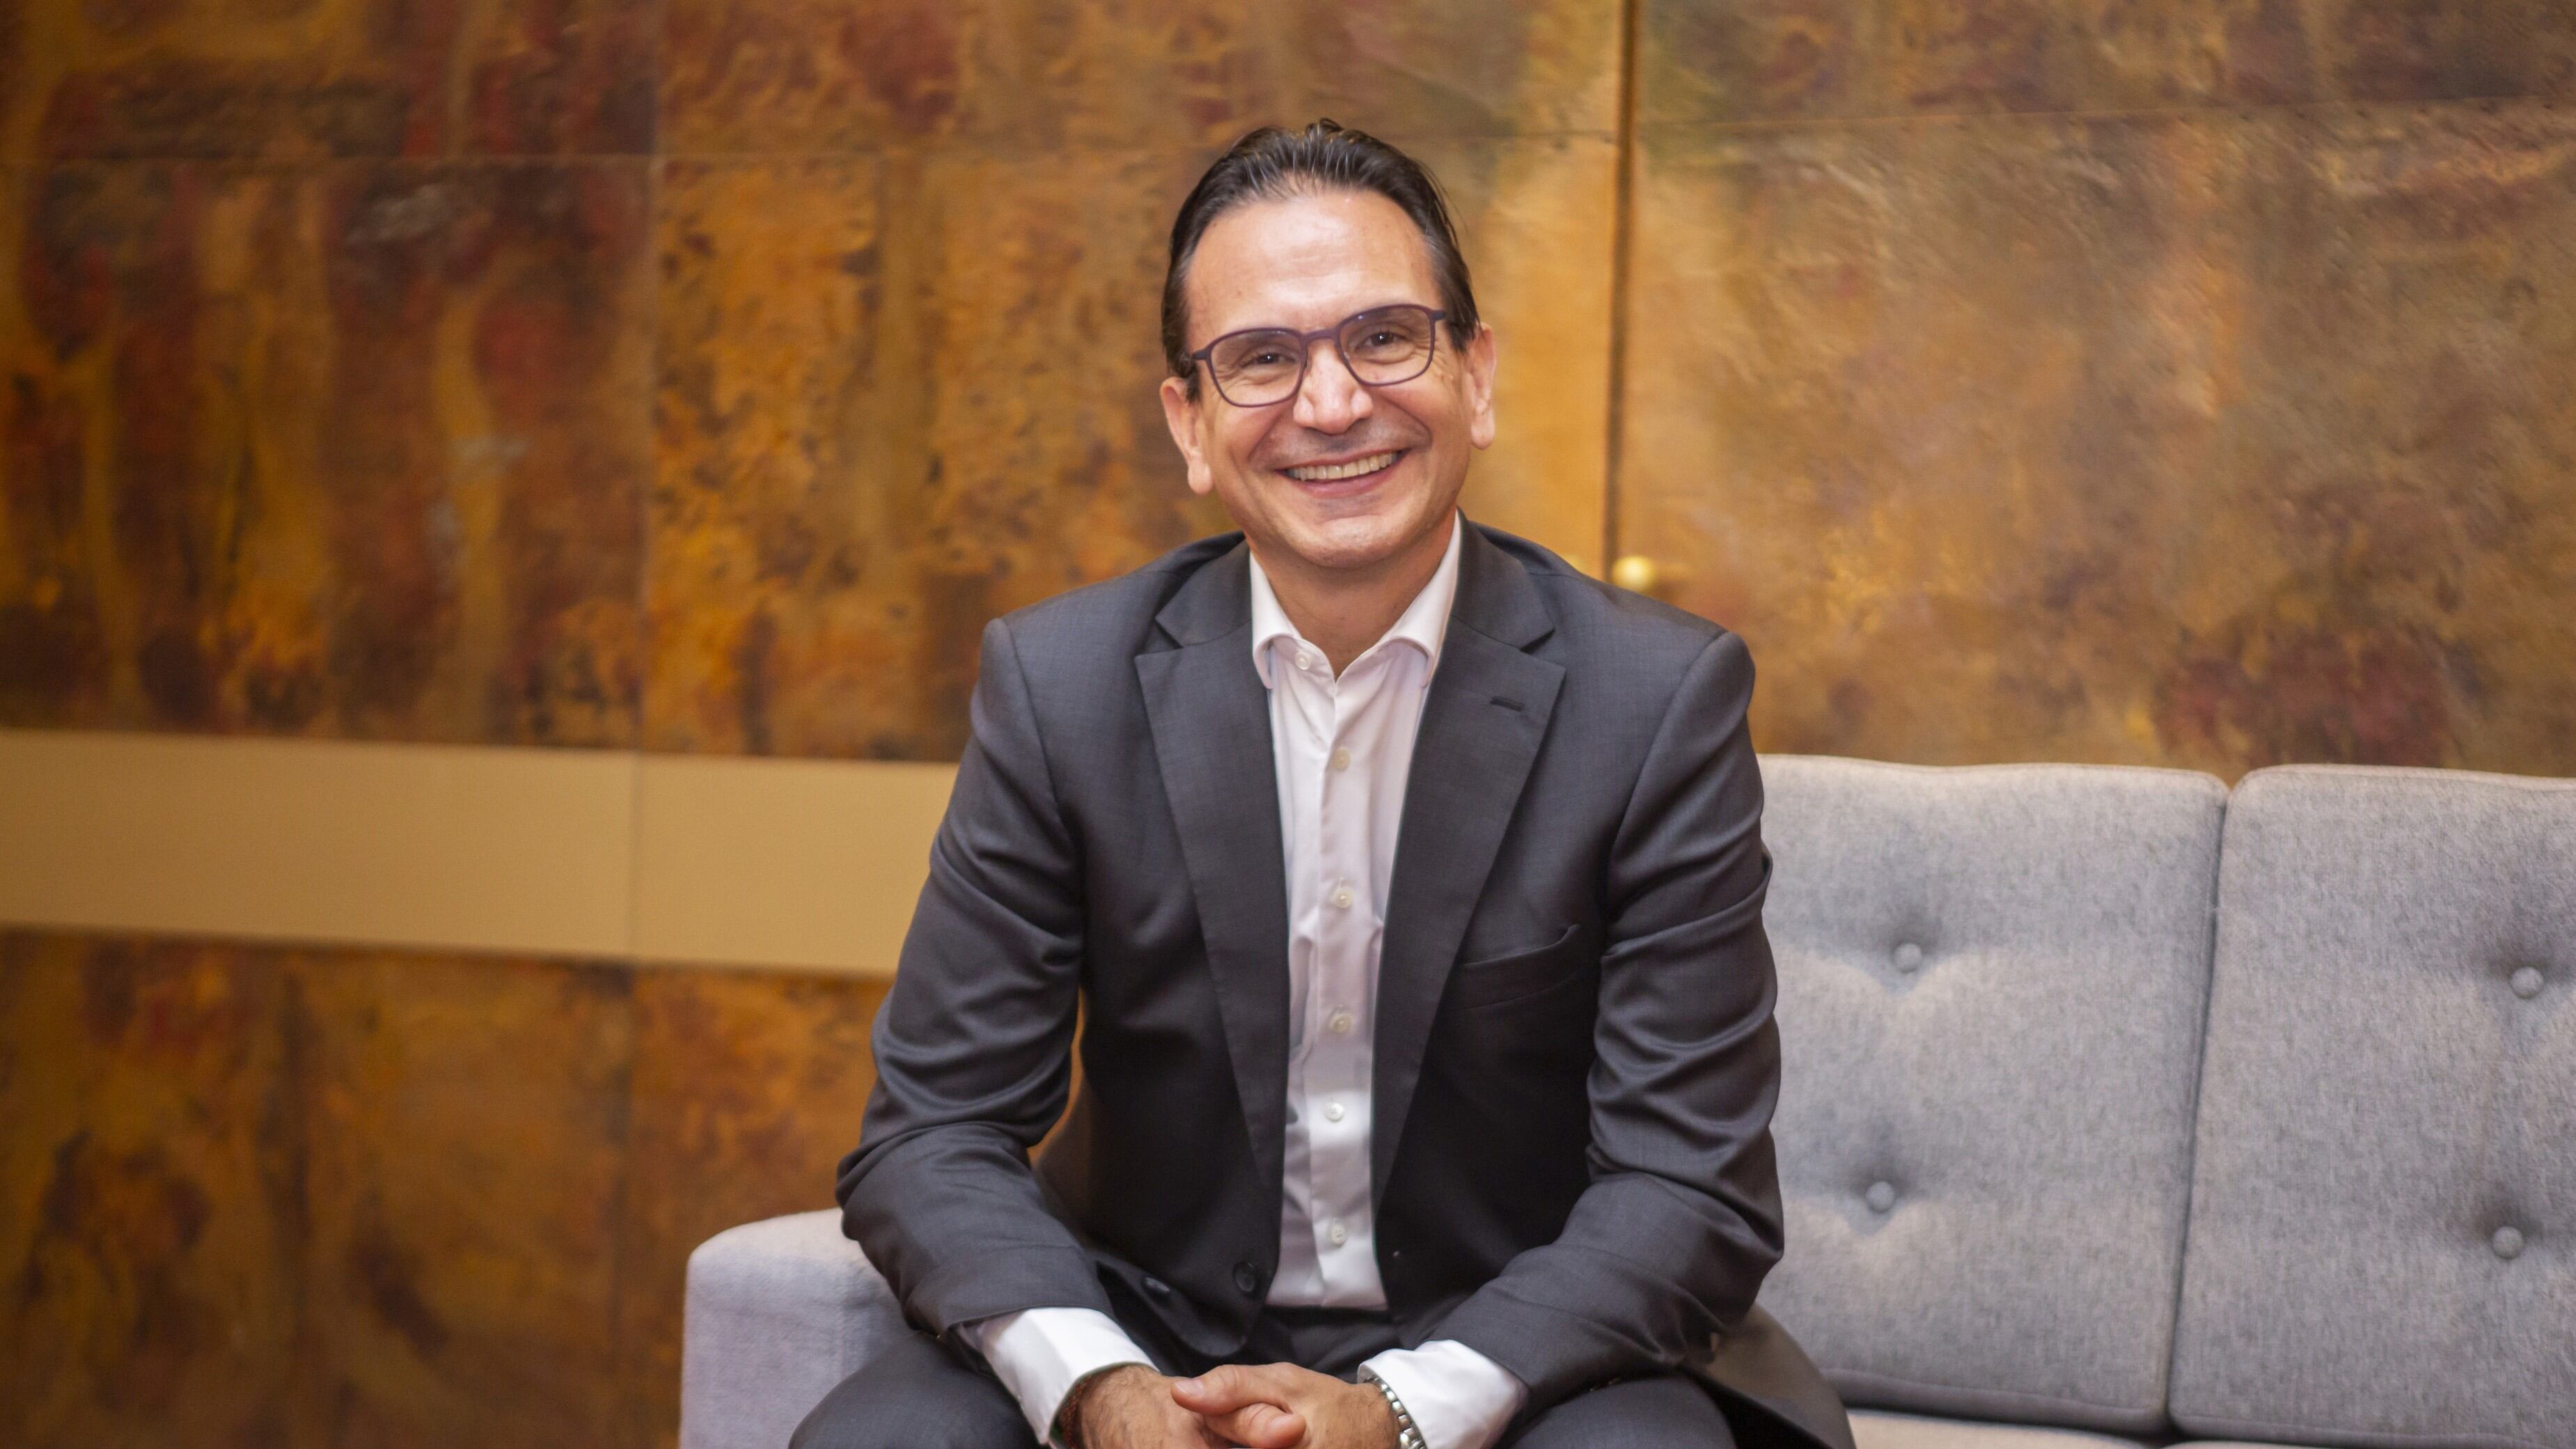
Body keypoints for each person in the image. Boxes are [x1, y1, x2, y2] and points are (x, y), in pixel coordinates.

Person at [796, 120, 1853, 1449]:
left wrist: (1399, 1412)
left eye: (1386, 337)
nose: (1334, 403)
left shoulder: (1654, 703)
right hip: (1150, 1328)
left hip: (1520, 1346)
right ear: (1190, 424)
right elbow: (931, 1131)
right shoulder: (1061, 687)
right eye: (1262, 358)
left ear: (1476, 376)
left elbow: (1688, 1185)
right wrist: (1105, 1392)